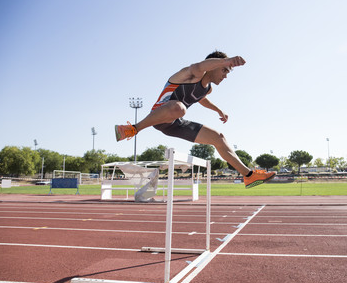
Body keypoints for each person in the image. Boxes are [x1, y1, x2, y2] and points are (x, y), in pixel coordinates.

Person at [115, 51, 275, 188]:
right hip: (160, 114)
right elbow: (198, 66)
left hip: (175, 123)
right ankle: (132, 129)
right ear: (214, 66)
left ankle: (249, 175)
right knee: (179, 108)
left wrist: (218, 110)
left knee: (219, 138)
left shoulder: (208, 88)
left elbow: (201, 98)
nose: (225, 76)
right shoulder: (191, 74)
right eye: (224, 70)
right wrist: (228, 60)